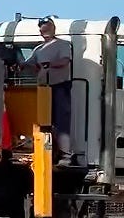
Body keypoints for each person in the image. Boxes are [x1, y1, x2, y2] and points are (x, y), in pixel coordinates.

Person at [23, 15, 74, 166]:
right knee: (44, 122)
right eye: (42, 29)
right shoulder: (38, 49)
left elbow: (65, 61)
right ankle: (47, 154)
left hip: (60, 86)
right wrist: (19, 65)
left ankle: (66, 156)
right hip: (43, 89)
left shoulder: (63, 45)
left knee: (61, 122)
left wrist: (48, 64)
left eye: (47, 28)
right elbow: (30, 64)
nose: (44, 31)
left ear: (53, 29)